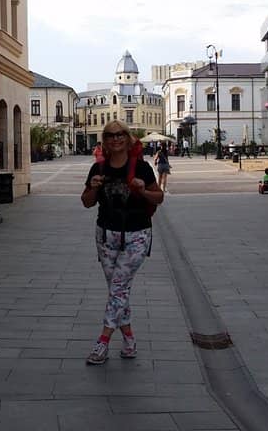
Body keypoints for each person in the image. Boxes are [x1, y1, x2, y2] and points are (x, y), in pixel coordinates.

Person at [81, 120, 164, 365]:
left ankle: (103, 341)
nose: (115, 139)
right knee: (119, 290)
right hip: (106, 235)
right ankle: (129, 340)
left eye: (119, 135)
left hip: (137, 234)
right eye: (109, 135)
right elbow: (86, 202)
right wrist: (94, 189)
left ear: (127, 139)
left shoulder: (141, 168)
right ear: (104, 141)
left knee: (118, 287)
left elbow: (158, 197)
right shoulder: (98, 169)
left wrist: (142, 190)